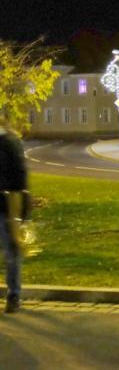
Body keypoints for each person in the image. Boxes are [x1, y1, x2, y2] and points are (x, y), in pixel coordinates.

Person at [0, 116, 26, 314]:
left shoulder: (10, 142)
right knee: (11, 252)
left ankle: (13, 294)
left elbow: (20, 177)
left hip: (6, 206)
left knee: (11, 252)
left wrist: (23, 210)